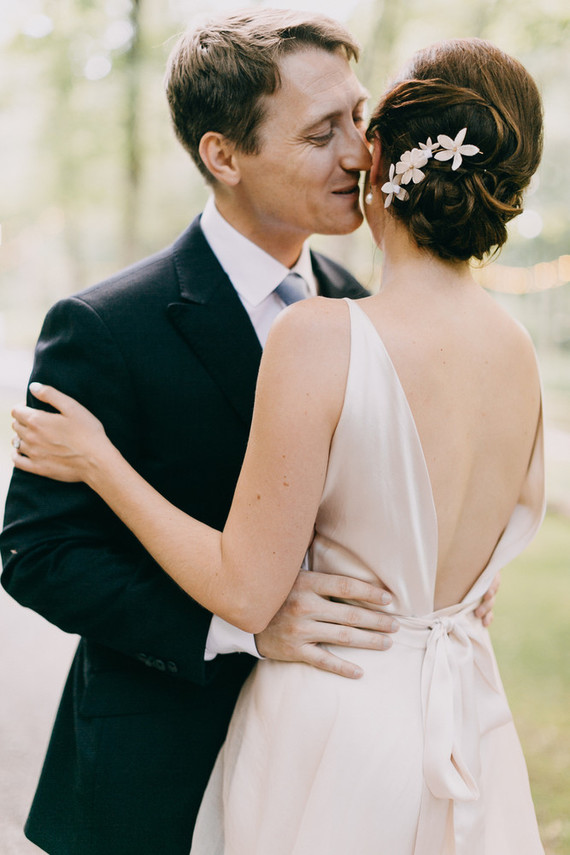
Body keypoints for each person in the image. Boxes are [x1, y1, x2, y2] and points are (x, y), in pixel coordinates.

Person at [9, 35, 545, 855]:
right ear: (223, 155)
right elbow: (38, 552)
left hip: (350, 748)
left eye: (360, 117)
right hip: (155, 760)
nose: (360, 152)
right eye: (320, 130)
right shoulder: (103, 327)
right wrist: (239, 629)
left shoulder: (360, 311)